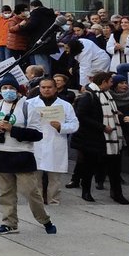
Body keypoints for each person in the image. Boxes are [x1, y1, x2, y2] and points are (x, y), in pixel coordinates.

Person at [0, 74, 54, 236]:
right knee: (6, 192)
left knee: (31, 191)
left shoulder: (27, 107)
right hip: (0, 153)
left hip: (22, 155)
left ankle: (44, 219)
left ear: (18, 90)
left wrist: (13, 129)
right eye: (4, 88)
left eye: (11, 88)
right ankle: (9, 223)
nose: (8, 91)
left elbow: (37, 134)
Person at [70, 71, 127, 204]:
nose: (112, 84)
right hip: (94, 138)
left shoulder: (107, 95)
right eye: (111, 81)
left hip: (111, 139)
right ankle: (86, 192)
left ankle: (117, 193)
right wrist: (102, 127)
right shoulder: (88, 96)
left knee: (114, 168)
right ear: (103, 82)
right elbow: (82, 116)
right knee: (89, 167)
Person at [30, 77, 78, 205]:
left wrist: (61, 127)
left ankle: (54, 202)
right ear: (39, 88)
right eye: (43, 87)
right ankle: (37, 203)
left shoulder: (65, 105)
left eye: (49, 87)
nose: (46, 90)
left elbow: (74, 124)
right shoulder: (29, 104)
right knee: (35, 178)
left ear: (55, 88)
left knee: (55, 179)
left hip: (55, 144)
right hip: (36, 145)